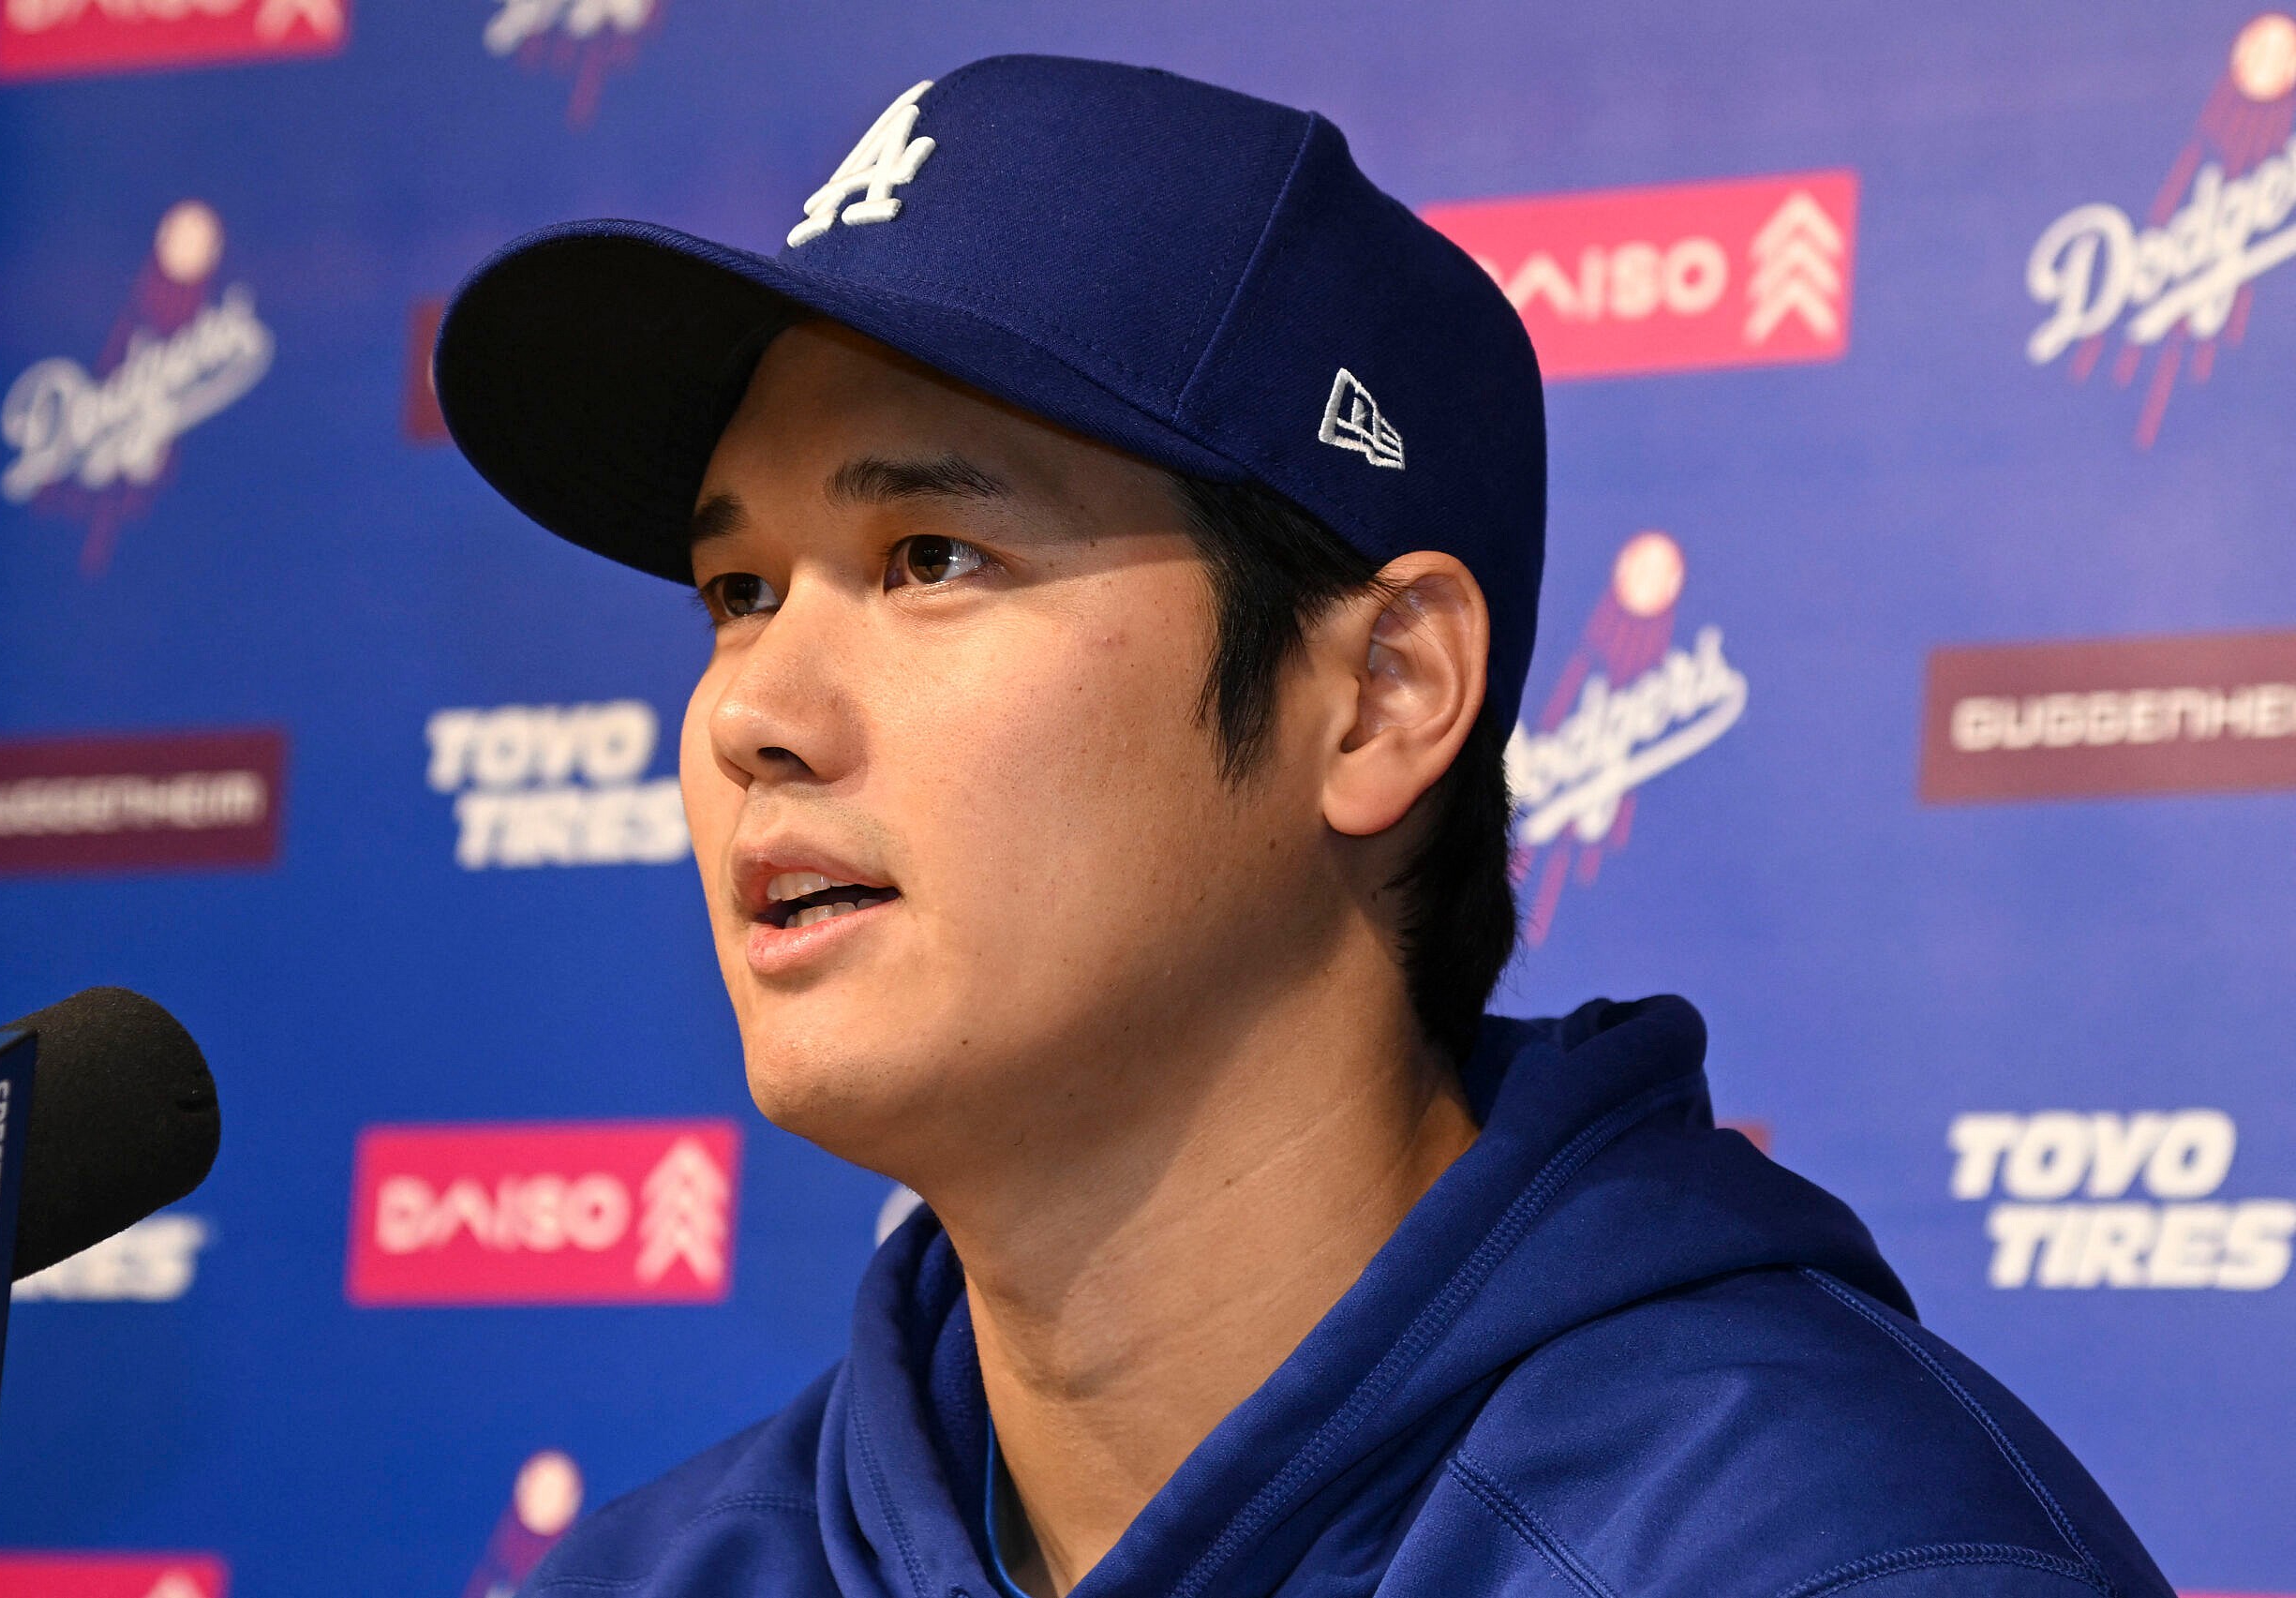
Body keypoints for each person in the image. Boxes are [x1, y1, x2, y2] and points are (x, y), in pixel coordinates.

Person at [434, 54, 2170, 1598]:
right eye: (737, 591)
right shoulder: (654, 1572)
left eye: (930, 559)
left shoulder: (1840, 1556)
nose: (751, 713)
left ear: (1383, 694)